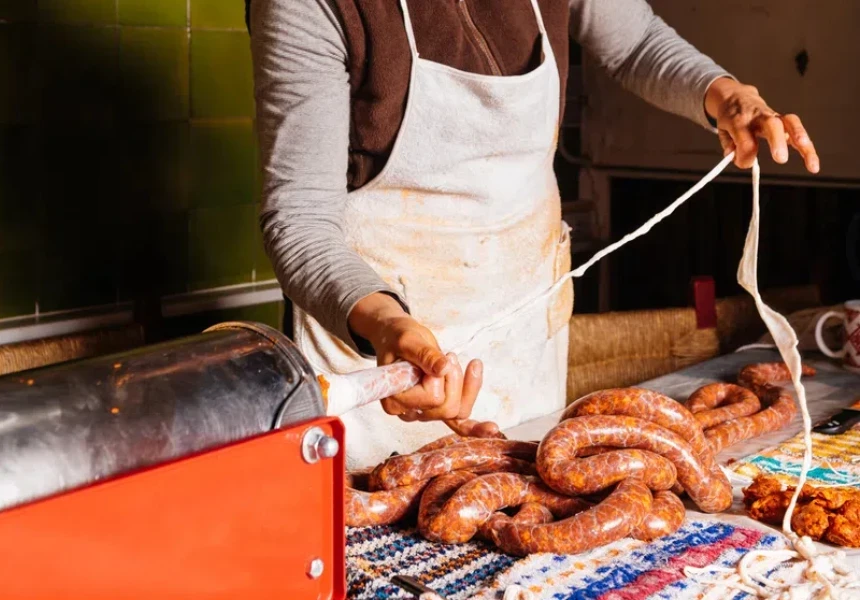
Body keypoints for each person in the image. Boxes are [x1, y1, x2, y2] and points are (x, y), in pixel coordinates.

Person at [247, 0, 820, 468]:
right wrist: (388, 324)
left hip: (522, 335)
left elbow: (637, 40)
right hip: (380, 360)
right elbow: (301, 222)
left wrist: (727, 96)